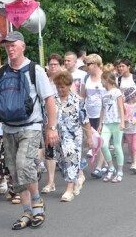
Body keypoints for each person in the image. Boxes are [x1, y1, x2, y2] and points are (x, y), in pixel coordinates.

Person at [0, 31, 58, 230]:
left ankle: (37, 202)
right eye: (7, 45)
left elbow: (49, 100)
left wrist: (51, 127)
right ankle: (27, 212)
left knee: (23, 164)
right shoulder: (2, 72)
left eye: (13, 45)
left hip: (31, 126)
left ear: (23, 46)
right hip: (8, 128)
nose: (10, 48)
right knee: (15, 173)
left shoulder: (35, 70)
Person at [52, 71, 92, 201]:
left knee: (71, 159)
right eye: (58, 86)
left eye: (62, 86)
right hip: (57, 137)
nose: (60, 89)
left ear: (69, 86)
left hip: (73, 136)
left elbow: (85, 120)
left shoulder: (78, 101)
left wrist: (90, 137)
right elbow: (48, 119)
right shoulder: (52, 100)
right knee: (63, 163)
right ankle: (77, 179)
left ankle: (68, 190)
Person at [79, 54, 108, 178]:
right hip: (89, 114)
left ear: (96, 64)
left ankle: (99, 168)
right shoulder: (86, 78)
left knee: (100, 140)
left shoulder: (106, 76)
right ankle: (107, 163)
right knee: (94, 141)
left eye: (88, 64)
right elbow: (82, 96)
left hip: (103, 114)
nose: (87, 66)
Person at [98, 71, 125, 182]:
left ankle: (119, 171)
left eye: (102, 80)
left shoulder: (117, 92)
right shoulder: (103, 94)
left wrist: (123, 122)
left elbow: (121, 107)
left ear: (106, 80)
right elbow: (103, 109)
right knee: (103, 145)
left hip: (117, 122)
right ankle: (111, 167)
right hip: (106, 123)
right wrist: (100, 124)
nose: (101, 82)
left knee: (117, 146)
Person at [41, 53, 63, 195]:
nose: (53, 67)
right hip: (48, 120)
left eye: (55, 64)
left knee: (66, 150)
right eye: (51, 64)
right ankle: (50, 182)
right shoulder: (45, 81)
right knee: (50, 150)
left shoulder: (65, 80)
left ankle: (77, 175)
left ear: (60, 66)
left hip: (64, 120)